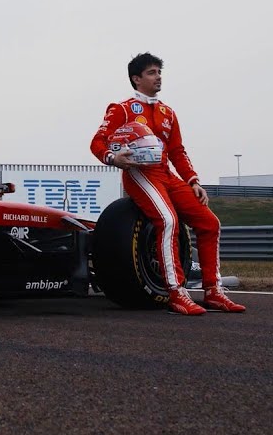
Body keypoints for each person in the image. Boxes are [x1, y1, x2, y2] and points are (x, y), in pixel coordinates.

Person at [89, 52, 246, 315]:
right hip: (140, 173)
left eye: (159, 72)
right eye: (152, 73)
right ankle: (176, 293)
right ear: (136, 79)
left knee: (210, 223)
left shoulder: (167, 113)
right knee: (168, 220)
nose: (158, 77)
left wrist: (193, 180)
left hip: (167, 174)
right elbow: (98, 141)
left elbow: (177, 151)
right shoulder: (122, 109)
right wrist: (112, 157)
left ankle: (213, 291)